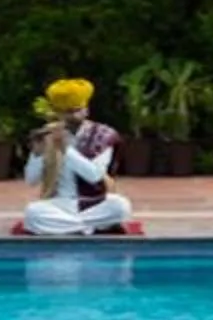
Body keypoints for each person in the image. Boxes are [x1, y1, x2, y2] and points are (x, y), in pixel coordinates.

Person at [16, 78, 139, 236]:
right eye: (66, 112)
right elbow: (31, 180)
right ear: (58, 113)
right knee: (33, 213)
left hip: (93, 203)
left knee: (121, 206)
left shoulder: (102, 134)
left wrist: (65, 148)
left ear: (86, 110)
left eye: (76, 110)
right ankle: (87, 228)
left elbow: (94, 176)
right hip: (60, 203)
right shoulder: (49, 134)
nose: (72, 116)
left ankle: (67, 227)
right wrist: (37, 154)